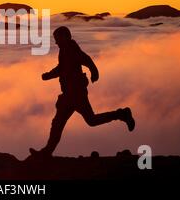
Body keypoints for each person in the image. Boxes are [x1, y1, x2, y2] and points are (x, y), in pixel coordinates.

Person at [29, 26, 135, 158]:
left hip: (76, 95)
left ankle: (122, 114)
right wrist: (49, 75)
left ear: (65, 37)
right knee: (67, 123)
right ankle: (46, 152)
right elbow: (63, 68)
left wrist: (94, 71)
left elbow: (86, 59)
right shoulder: (65, 49)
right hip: (70, 95)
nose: (56, 42)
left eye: (57, 39)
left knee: (83, 121)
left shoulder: (72, 49)